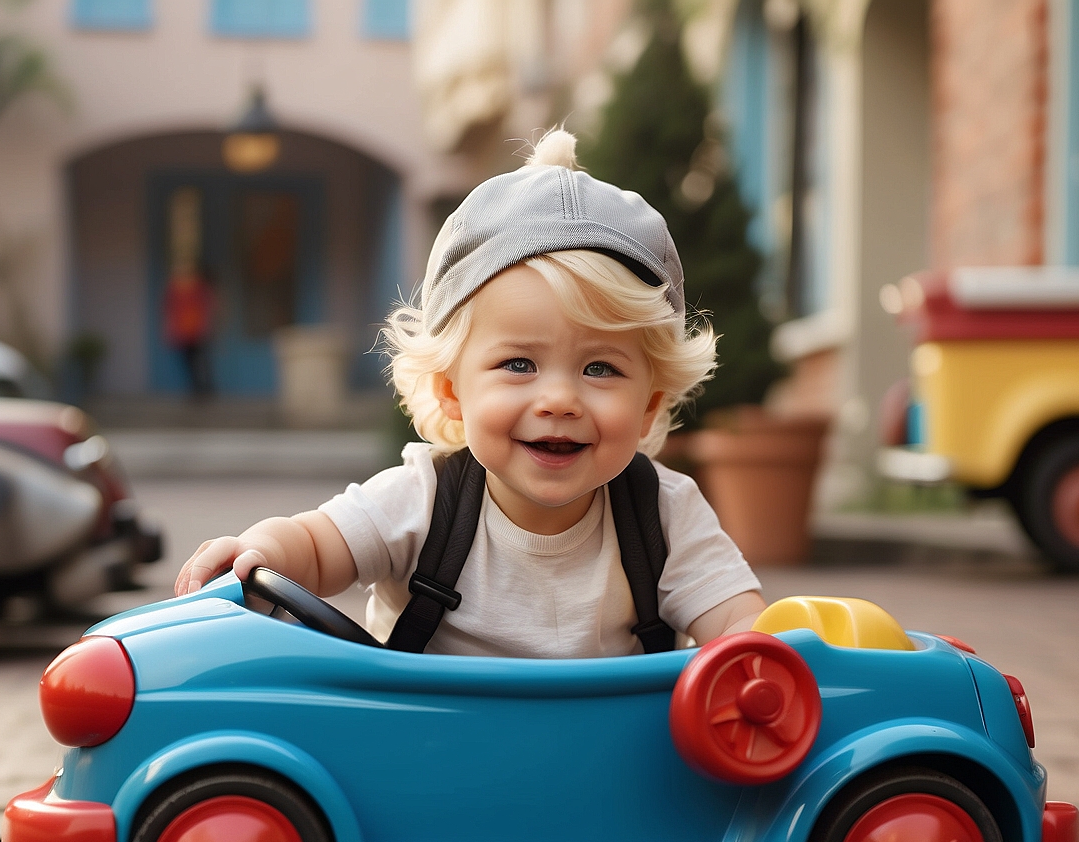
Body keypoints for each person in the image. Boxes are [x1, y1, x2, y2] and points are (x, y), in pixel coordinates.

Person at [176, 127, 765, 657]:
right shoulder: (422, 501)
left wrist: (760, 649)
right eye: (518, 363)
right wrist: (262, 554)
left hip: (615, 770)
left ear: (650, 405)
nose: (558, 400)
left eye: (601, 370)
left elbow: (742, 624)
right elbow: (315, 543)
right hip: (438, 764)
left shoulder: (665, 515)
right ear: (450, 391)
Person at [163, 263, 216, 397]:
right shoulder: (173, 289)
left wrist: (206, 326)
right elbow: (170, 310)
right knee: (189, 362)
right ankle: (196, 389)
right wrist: (170, 329)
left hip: (197, 330)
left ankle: (207, 388)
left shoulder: (199, 288)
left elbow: (207, 307)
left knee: (201, 360)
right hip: (183, 332)